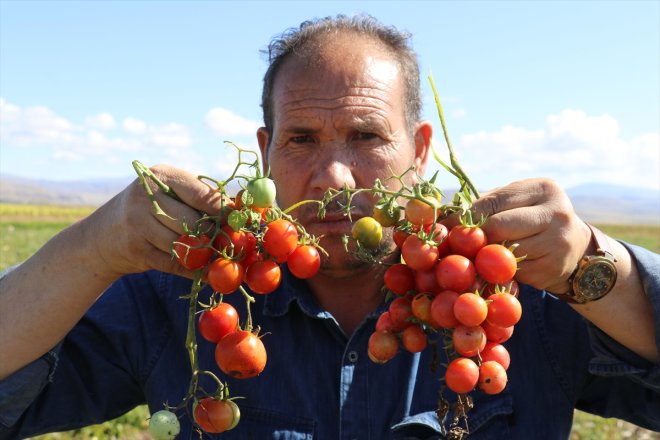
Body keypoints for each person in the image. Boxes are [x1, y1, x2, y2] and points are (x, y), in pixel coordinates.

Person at [0, 14, 658, 440]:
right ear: (263, 151)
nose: (335, 178)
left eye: (367, 136)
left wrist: (597, 271)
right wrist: (89, 251)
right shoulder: (180, 293)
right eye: (302, 139)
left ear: (422, 148)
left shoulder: (509, 296)